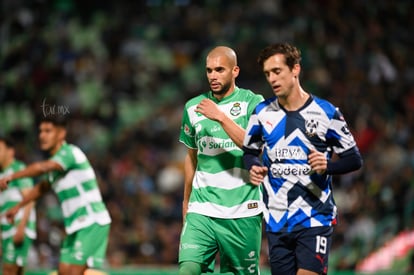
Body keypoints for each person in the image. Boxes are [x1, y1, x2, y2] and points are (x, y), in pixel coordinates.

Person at [242, 43, 363, 275]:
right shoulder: (261, 113)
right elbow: (249, 151)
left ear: (295, 69)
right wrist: (254, 166)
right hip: (277, 219)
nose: (272, 79)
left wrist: (328, 165)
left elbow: (354, 159)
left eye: (277, 71)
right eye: (267, 74)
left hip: (314, 217)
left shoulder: (326, 112)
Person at [178, 46, 265, 275]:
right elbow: (191, 158)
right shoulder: (193, 107)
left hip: (242, 210)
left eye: (219, 70)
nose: (213, 76)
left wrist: (220, 117)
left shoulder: (252, 102)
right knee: (188, 269)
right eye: (209, 70)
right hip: (202, 208)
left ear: (235, 71)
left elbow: (254, 146)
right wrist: (186, 203)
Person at [0, 116, 112, 275]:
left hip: (90, 219)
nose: (42, 136)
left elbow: (43, 167)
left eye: (48, 131)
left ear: (61, 134)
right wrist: (18, 206)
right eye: (40, 131)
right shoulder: (56, 163)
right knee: (64, 272)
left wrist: (13, 177)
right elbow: (42, 188)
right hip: (75, 225)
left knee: (74, 272)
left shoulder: (70, 153)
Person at [0, 136, 36, 275]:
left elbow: (30, 198)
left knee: (8, 271)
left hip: (18, 226)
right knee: (17, 271)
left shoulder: (18, 169)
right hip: (6, 228)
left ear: (10, 152)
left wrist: (21, 226)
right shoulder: (2, 175)